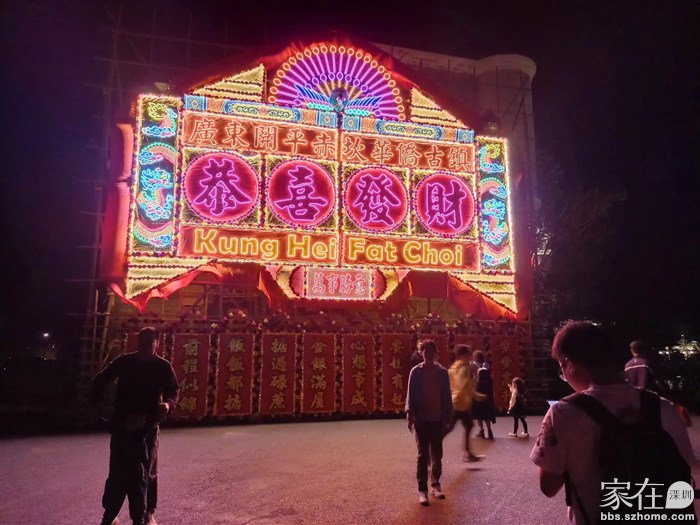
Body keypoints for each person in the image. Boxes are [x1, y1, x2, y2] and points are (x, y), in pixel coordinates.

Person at [530, 321, 696, 525]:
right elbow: (683, 468)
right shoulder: (663, 407)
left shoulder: (563, 412)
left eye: (561, 370)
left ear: (569, 363)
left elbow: (548, 487)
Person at [93, 327, 179, 525]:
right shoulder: (124, 362)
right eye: (143, 341)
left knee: (147, 471)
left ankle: (147, 514)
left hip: (148, 426)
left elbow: (173, 391)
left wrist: (168, 405)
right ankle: (110, 513)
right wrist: (101, 407)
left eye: (151, 342)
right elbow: (99, 381)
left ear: (157, 343)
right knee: (117, 469)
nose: (146, 345)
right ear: (138, 342)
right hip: (122, 425)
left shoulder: (162, 366)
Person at [405, 339, 453, 506]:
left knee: (437, 455)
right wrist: (410, 415)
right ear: (421, 353)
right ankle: (422, 490)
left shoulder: (442, 372)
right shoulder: (415, 372)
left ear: (435, 353)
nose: (428, 354)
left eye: (431, 351)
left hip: (437, 418)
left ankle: (436, 485)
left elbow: (447, 395)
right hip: (421, 419)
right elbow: (410, 395)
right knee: (422, 455)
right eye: (425, 351)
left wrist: (448, 416)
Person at [446, 344, 486, 461]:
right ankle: (431, 450)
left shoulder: (453, 367)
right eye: (468, 354)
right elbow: (465, 386)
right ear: (463, 355)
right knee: (449, 429)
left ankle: (468, 453)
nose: (470, 356)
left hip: (456, 402)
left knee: (464, 426)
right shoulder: (464, 368)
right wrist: (478, 396)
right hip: (460, 403)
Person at [472, 351, 496, 440]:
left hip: (479, 397)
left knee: (479, 416)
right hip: (487, 397)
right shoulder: (486, 366)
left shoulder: (475, 367)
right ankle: (489, 430)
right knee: (486, 415)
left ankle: (482, 431)